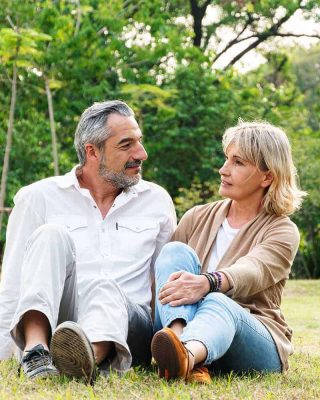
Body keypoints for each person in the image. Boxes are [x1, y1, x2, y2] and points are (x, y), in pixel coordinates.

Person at [0, 100, 176, 382]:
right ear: (92, 151)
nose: (141, 154)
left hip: (130, 326)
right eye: (126, 145)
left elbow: (164, 282)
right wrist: (6, 354)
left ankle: (83, 359)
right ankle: (36, 352)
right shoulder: (38, 197)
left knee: (105, 286)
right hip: (61, 324)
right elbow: (13, 283)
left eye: (139, 142)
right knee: (51, 234)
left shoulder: (156, 200)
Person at [151, 121, 306, 384]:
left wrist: (208, 283)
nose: (223, 170)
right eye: (226, 159)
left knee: (218, 300)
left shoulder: (282, 230)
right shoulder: (196, 216)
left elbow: (253, 270)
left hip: (254, 339)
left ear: (267, 176)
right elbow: (166, 280)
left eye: (238, 162)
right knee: (174, 251)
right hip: (189, 322)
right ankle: (178, 342)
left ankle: (187, 355)